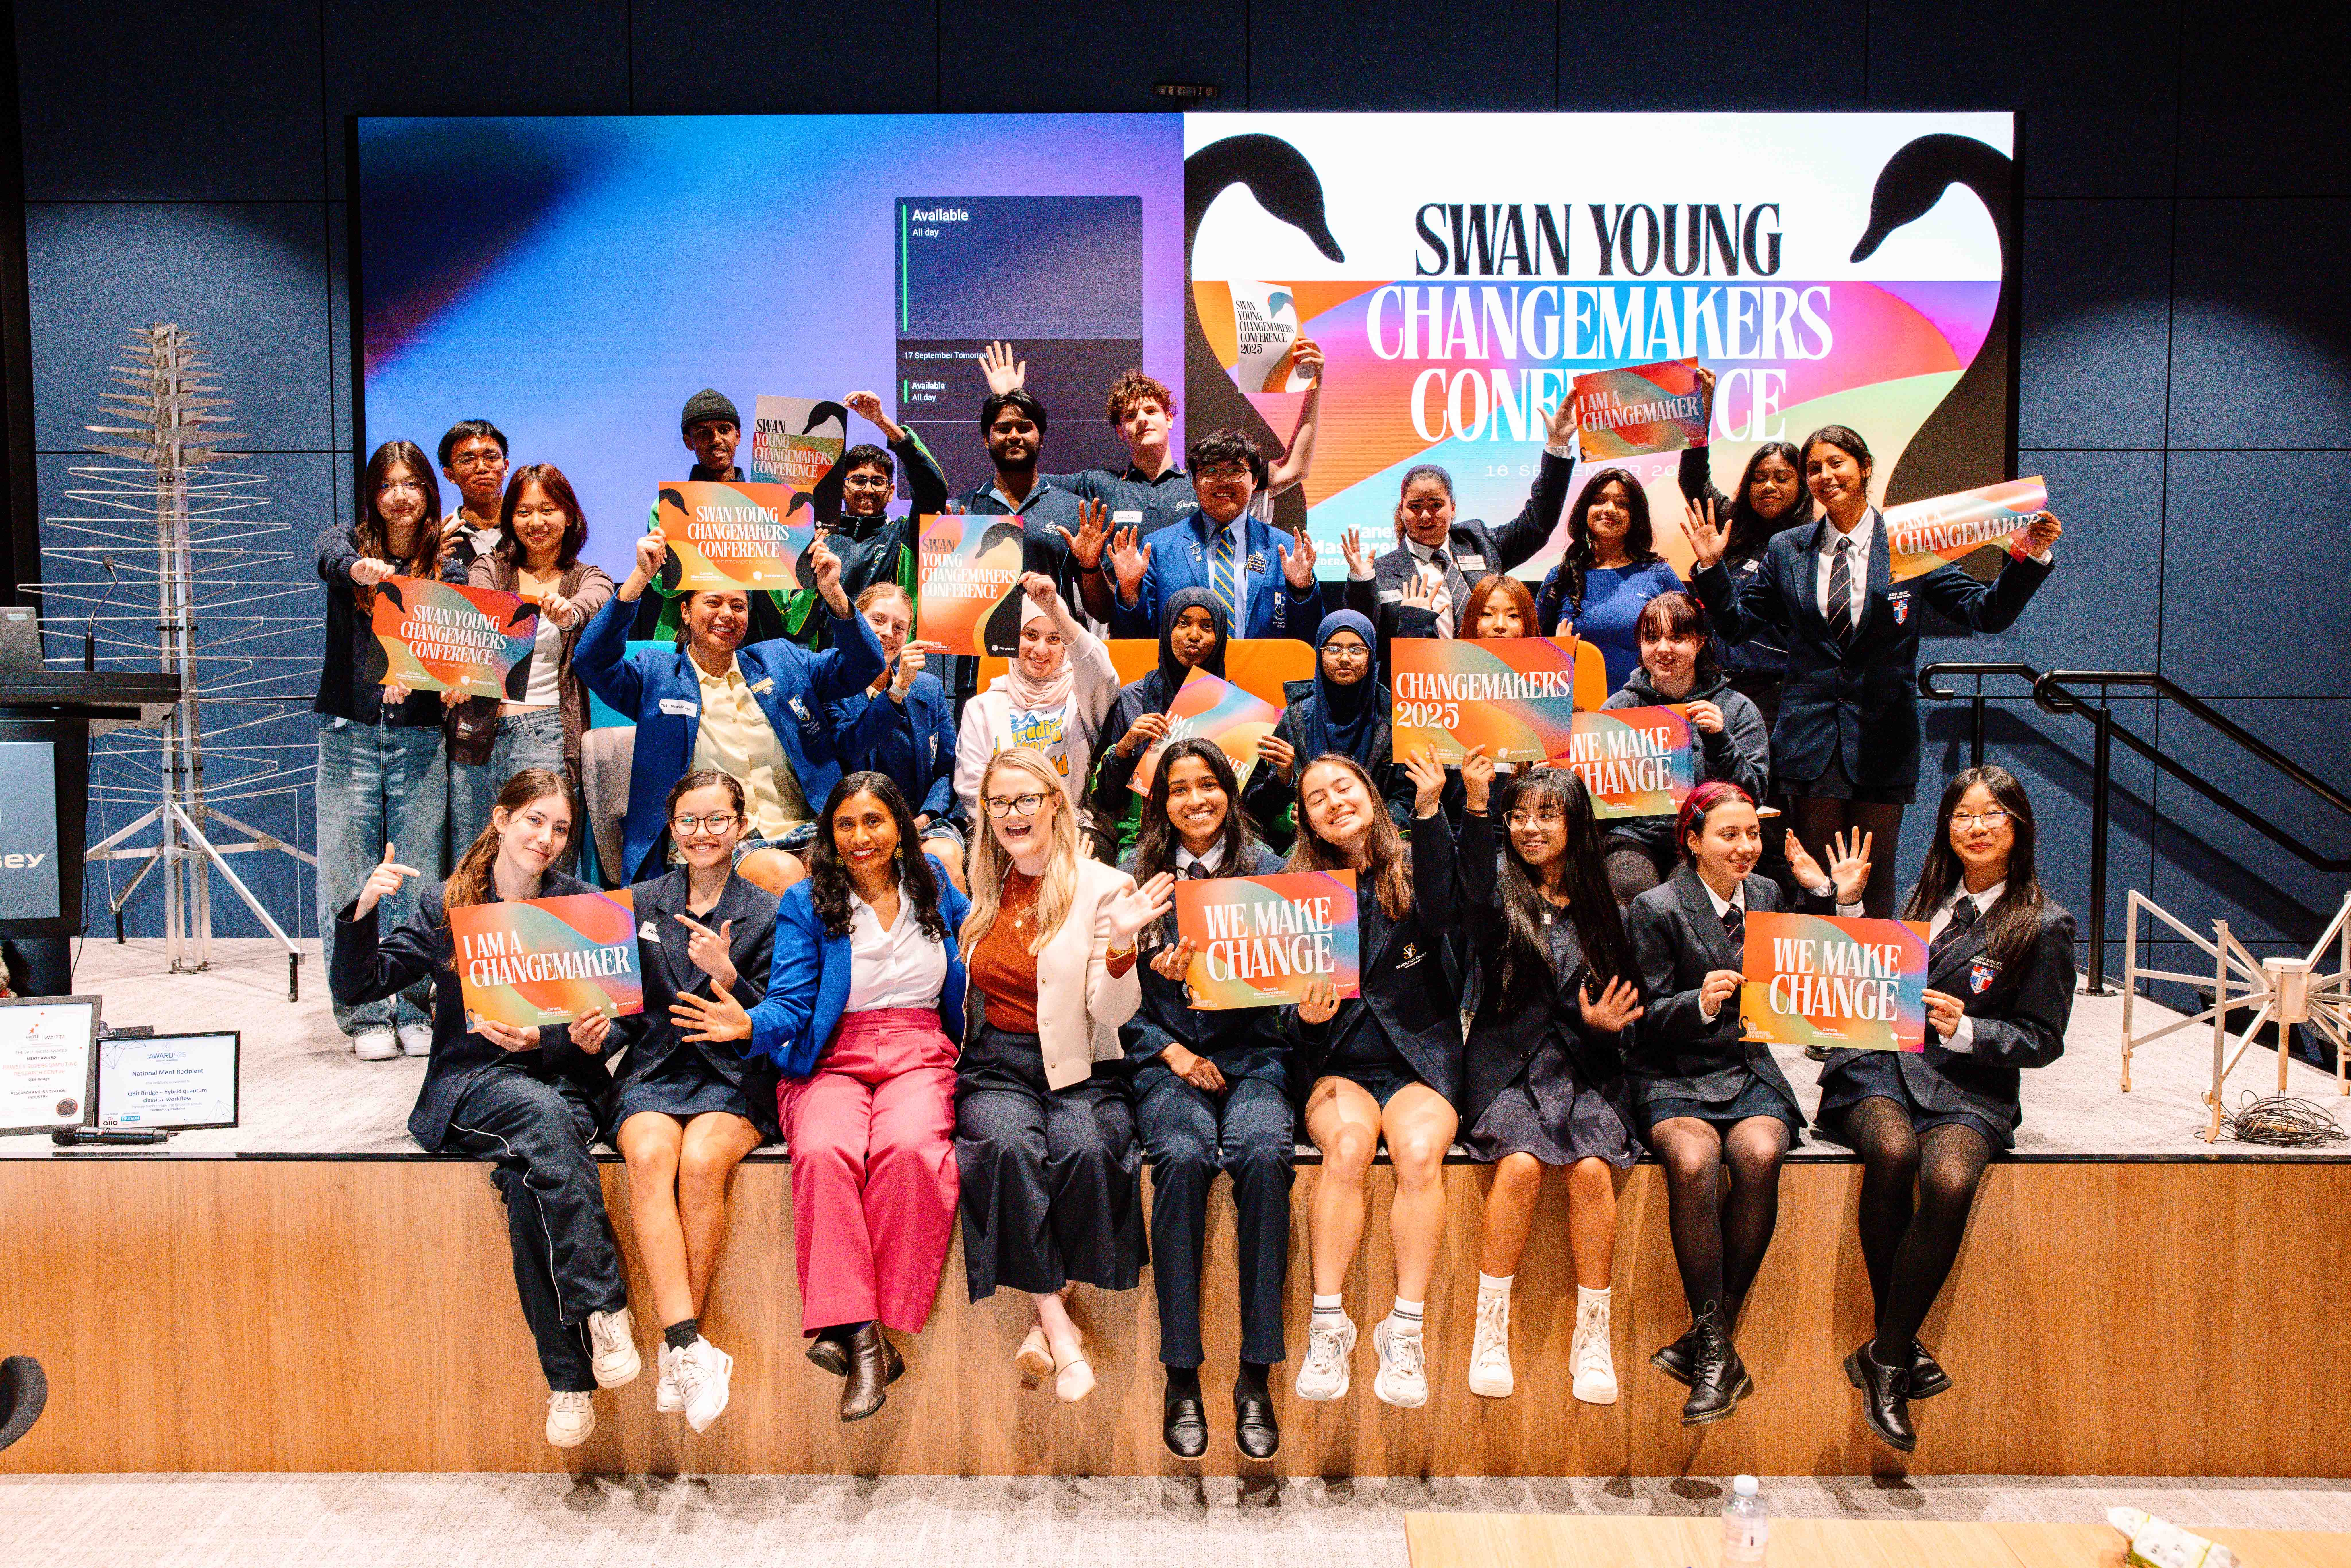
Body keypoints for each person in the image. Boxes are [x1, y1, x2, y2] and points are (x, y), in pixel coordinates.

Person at [327, 769, 638, 1448]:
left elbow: (616, 1023)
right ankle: (603, 1303)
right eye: (533, 820)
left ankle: (568, 1381)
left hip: (560, 1082)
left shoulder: (583, 904)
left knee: (531, 1181)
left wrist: (571, 1034)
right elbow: (361, 984)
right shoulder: (447, 903)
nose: (547, 838)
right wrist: (362, 909)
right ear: (500, 818)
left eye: (559, 828)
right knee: (538, 1119)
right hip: (475, 1084)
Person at [678, 772, 970, 1424]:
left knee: (911, 1150)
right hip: (831, 1053)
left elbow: (969, 974)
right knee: (826, 1149)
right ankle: (864, 1338)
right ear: (829, 836)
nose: (860, 836)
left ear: (899, 826)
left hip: (921, 1050)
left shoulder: (938, 890)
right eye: (846, 825)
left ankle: (867, 1325)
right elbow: (789, 1001)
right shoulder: (807, 902)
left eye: (874, 822)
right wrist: (749, 1023)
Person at [1683, 424, 2061, 917]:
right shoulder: (1787, 548)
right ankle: (1817, 991)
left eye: (1835, 463)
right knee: (1816, 879)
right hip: (1809, 741)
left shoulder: (1908, 541)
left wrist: (2029, 558)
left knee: (1872, 874)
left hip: (1883, 738)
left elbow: (1984, 612)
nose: (1824, 476)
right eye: (1813, 468)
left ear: (1863, 468)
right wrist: (1711, 567)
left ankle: (1876, 993)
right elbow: (1734, 627)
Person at [1814, 765, 2075, 1452]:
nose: (1977, 826)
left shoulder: (2045, 924)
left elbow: (2043, 1040)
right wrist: (1847, 910)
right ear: (1947, 826)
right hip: (1878, 1066)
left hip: (1969, 1083)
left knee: (1952, 1179)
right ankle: (1898, 1353)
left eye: (1991, 814)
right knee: (1894, 1152)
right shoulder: (1925, 894)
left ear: (2017, 826)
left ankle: (1887, 1353)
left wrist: (1968, 1029)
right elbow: (1871, 978)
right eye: (1963, 814)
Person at [1624, 781, 1868, 1426]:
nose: (1744, 847)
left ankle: (1709, 1345)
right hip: (1672, 1070)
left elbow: (1816, 976)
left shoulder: (1765, 894)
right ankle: (1715, 1350)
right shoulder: (1654, 906)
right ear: (1693, 841)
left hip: (1746, 1067)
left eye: (1751, 835)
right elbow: (1637, 1018)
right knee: (1697, 1159)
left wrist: (1828, 897)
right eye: (1728, 835)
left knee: (1761, 1150)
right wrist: (1697, 1001)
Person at [955, 747, 1171, 1403]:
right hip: (997, 1064)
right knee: (1005, 1147)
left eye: (1026, 799)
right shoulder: (983, 886)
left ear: (1055, 802)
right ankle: (1059, 1327)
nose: (1013, 813)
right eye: (1000, 802)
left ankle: (1043, 1322)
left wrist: (1119, 948)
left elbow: (1114, 1011)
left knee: (1090, 1147)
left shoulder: (1105, 886)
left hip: (1081, 1063)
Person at [1119, 738, 1291, 1460]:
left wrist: (1280, 992)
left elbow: (1296, 985)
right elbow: (1108, 998)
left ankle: (1256, 1373)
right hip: (1168, 1059)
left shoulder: (1275, 874)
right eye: (1180, 788)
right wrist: (1169, 1046)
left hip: (1254, 1058)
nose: (1196, 799)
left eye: (1209, 785)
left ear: (1230, 791)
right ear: (1161, 800)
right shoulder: (1134, 882)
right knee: (1183, 1158)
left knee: (1260, 1154)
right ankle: (1181, 1373)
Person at [1458, 764, 1646, 1406]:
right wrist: (1477, 806)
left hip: (1586, 1067)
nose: (1529, 828)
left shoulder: (1609, 907)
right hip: (1508, 1064)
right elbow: (1453, 884)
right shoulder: (1492, 892)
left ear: (1575, 822)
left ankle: (1591, 1334)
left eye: (1546, 815)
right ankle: (1490, 1327)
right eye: (1519, 816)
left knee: (1592, 1171)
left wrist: (1600, 1028)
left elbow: (1627, 1012)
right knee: (1520, 1166)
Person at [598, 769, 779, 1434]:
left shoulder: (769, 909)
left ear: (741, 824)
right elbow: (622, 1012)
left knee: (702, 1160)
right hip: (656, 1065)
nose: (703, 833)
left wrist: (732, 977)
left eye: (717, 820)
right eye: (689, 821)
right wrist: (594, 1033)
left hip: (734, 1072)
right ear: (672, 830)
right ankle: (688, 1347)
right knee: (649, 1152)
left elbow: (782, 1014)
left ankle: (682, 1348)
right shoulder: (635, 902)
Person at [1288, 749, 1465, 1410]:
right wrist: (1302, 1014)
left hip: (1417, 1064)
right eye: (1317, 797)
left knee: (1419, 1153)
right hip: (1336, 1063)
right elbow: (1276, 996)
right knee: (1348, 1147)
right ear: (1305, 818)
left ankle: (1406, 1330)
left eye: (1345, 786)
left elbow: (1459, 903)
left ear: (1368, 789)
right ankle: (1328, 1323)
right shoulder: (1294, 884)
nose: (1335, 801)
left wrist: (1434, 808)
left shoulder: (1420, 865)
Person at [575, 528, 884, 882]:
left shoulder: (781, 660)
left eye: (738, 606)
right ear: (686, 612)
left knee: (898, 865)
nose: (727, 614)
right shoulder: (657, 676)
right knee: (789, 876)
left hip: (808, 832)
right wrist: (640, 578)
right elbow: (591, 661)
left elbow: (867, 665)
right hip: (716, 844)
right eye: (712, 602)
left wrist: (833, 591)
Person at [314, 440, 453, 1061]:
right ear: (373, 494)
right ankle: (366, 1012)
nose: (401, 494)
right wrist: (359, 572)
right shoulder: (347, 543)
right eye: (389, 483)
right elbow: (329, 558)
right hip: (350, 733)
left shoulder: (447, 561)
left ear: (428, 491)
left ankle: (414, 1001)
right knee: (348, 874)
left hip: (422, 736)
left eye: (413, 483)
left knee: (418, 873)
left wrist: (438, 675)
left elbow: (464, 640)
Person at [981, 346, 1325, 538]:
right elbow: (1022, 481)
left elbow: (1295, 468)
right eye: (1130, 416)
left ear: (1169, 418)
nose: (1141, 420)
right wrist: (1010, 400)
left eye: (1150, 410)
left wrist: (1315, 388)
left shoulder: (1205, 480)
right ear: (1119, 431)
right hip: (1125, 636)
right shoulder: (1098, 485)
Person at [449, 464, 615, 862]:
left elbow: (593, 601)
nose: (536, 522)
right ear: (510, 519)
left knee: (542, 865)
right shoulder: (489, 568)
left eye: (548, 510)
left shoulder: (587, 577)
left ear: (569, 515)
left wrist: (567, 613)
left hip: (546, 738)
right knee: (473, 865)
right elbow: (479, 615)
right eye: (524, 512)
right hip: (477, 737)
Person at [1343, 395, 1579, 653]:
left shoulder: (1481, 542)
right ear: (1401, 511)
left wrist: (1558, 446)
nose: (1425, 516)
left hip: (1490, 679)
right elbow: (1360, 641)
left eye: (1436, 505)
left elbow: (1538, 521)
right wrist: (1361, 582)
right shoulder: (1382, 572)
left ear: (1453, 508)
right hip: (1421, 686)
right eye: (1415, 507)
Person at [1598, 591, 1770, 904]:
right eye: (1652, 638)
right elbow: (1594, 796)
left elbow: (1753, 795)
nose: (1663, 649)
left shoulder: (1736, 708)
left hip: (1704, 840)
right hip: (1634, 838)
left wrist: (1720, 740)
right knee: (1631, 884)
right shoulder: (1618, 708)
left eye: (1676, 638)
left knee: (1689, 895)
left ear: (1700, 641)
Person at [1677, 368, 1815, 727]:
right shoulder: (1728, 524)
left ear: (1802, 487)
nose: (1767, 486)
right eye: (1758, 478)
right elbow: (1693, 479)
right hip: (1713, 687)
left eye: (1781, 478)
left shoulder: (1814, 542)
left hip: (1777, 696)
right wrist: (1698, 412)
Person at [1103, 428, 1322, 643]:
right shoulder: (1160, 548)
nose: (1223, 481)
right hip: (1185, 678)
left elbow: (1310, 639)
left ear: (1255, 481)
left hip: (1262, 675)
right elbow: (1135, 640)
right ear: (1195, 483)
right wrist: (1130, 591)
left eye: (1236, 471)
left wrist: (1301, 590)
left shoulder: (1282, 548)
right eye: (1210, 471)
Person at [786, 391, 952, 648]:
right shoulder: (819, 540)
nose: (868, 489)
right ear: (843, 487)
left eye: (878, 481)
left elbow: (933, 487)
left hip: (890, 667)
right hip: (829, 670)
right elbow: (797, 626)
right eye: (858, 480)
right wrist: (812, 586)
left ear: (891, 492)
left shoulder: (904, 537)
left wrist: (882, 421)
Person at [952, 572, 1122, 823]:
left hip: (1072, 827)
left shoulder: (1082, 696)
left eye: (1055, 639)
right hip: (1004, 829)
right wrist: (1020, 826)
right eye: (1030, 636)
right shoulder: (981, 709)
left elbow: (1102, 671)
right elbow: (972, 789)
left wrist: (1054, 609)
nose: (1041, 650)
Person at [630, 388, 794, 645]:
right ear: (689, 442)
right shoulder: (668, 507)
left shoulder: (770, 507)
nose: (716, 439)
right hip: (687, 643)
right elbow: (664, 587)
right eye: (704, 433)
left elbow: (786, 594)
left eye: (724, 429)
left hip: (759, 643)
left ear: (738, 436)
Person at [829, 583, 965, 889]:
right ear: (856, 623)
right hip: (853, 829)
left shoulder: (928, 687)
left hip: (918, 824)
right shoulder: (827, 685)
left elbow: (947, 770)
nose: (888, 632)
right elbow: (849, 747)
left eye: (899, 627)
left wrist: (922, 820)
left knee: (942, 857)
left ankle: (953, 937)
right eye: (877, 620)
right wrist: (898, 688)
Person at [1242, 610, 1402, 851]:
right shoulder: (1293, 718)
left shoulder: (1394, 719)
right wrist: (1285, 788)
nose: (1345, 658)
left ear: (1371, 657)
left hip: (1378, 845)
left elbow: (1405, 797)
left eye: (1357, 650)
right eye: (1334, 649)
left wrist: (1366, 826)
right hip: (1306, 848)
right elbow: (1255, 808)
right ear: (1320, 655)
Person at [1090, 588, 1229, 858]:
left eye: (1207, 627)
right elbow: (1105, 800)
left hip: (1218, 835)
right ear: (1167, 631)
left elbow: (1247, 801)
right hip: (1147, 835)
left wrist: (1282, 779)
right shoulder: (1132, 700)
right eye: (1183, 623)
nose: (1194, 635)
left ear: (1220, 637)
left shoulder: (1236, 708)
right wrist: (1124, 749)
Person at [1535, 467, 1687, 690]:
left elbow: (1691, 643)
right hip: (1576, 710)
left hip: (1648, 712)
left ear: (1636, 517)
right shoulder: (1559, 577)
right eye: (1599, 501)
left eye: (1623, 504)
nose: (1610, 510)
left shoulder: (1659, 575)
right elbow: (1531, 649)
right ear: (1585, 511)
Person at [436, 418, 510, 579]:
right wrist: (429, 564)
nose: (482, 468)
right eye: (468, 461)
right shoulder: (438, 539)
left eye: (491, 458)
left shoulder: (527, 531)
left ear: (506, 467)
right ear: (450, 475)